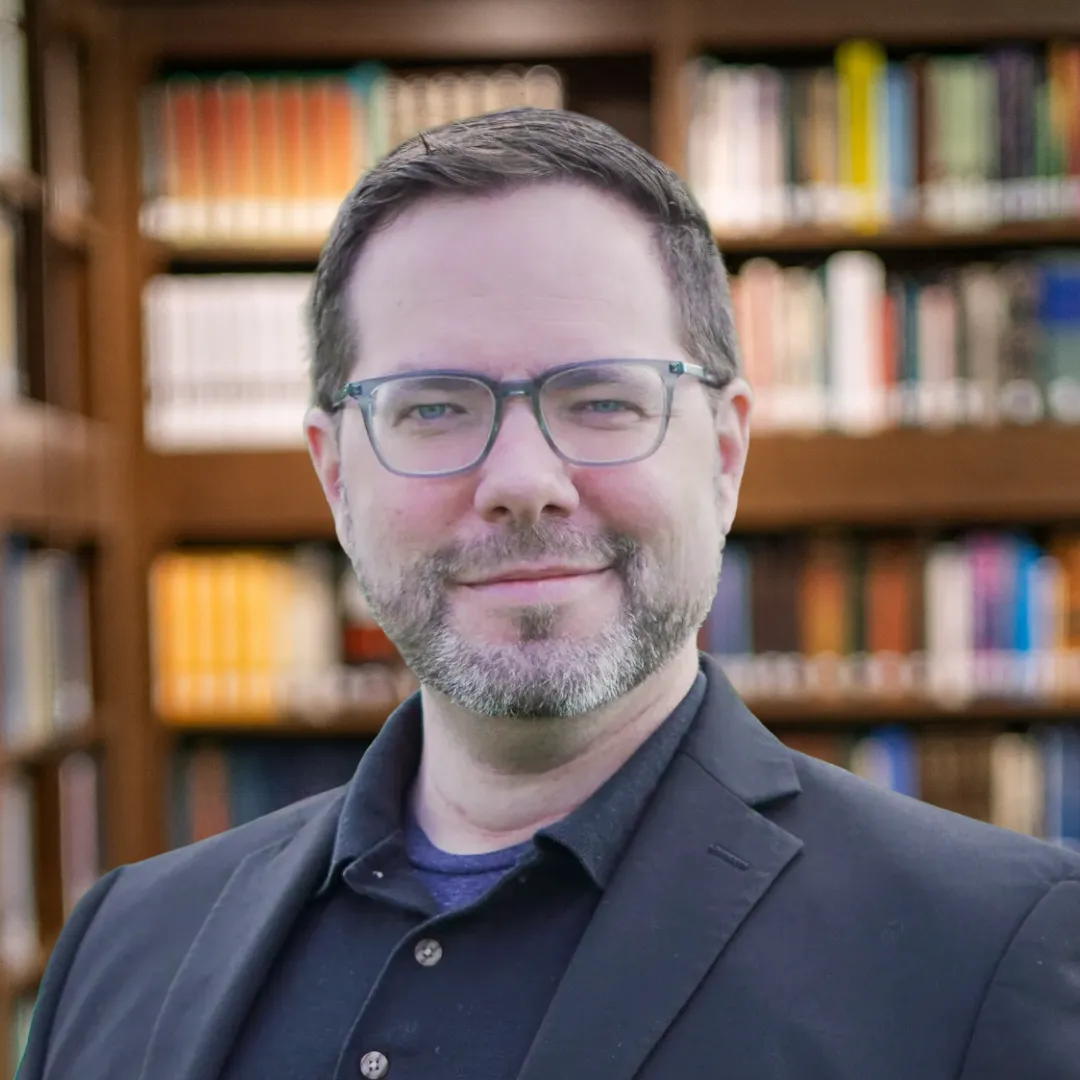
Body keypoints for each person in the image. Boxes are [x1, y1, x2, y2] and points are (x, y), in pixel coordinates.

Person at [18, 107, 1080, 1080]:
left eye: (602, 399)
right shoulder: (122, 944)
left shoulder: (992, 947)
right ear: (336, 474)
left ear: (724, 450)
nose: (524, 482)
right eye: (433, 408)